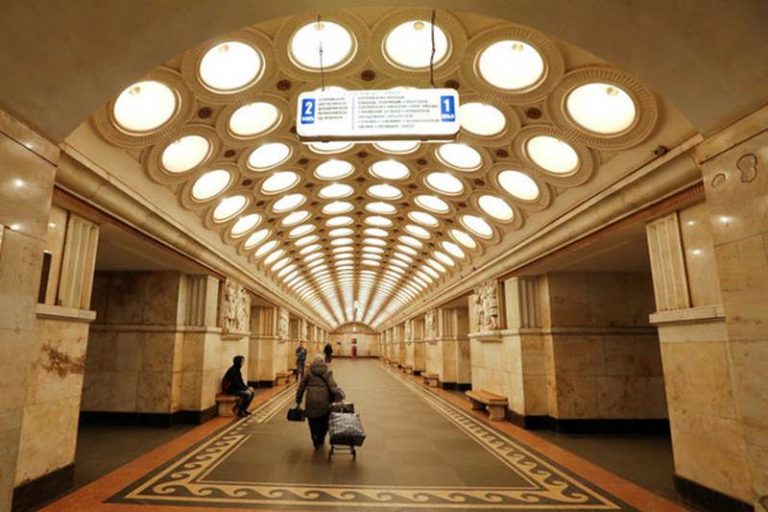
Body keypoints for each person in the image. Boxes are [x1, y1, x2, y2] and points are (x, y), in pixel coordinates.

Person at [295, 354, 343, 449]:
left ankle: (314, 437)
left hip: (311, 401)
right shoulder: (327, 372)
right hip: (324, 401)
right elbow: (333, 387)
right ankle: (321, 438)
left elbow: (301, 387)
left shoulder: (308, 373)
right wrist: (339, 396)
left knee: (312, 421)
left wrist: (298, 400)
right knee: (324, 421)